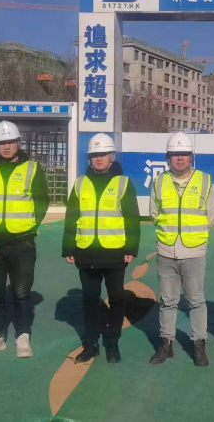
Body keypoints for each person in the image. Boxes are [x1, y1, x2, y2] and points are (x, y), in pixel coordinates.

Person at [63, 133, 140, 364]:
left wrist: (131, 248)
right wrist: (68, 248)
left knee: (116, 299)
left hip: (115, 252)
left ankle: (112, 343)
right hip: (86, 252)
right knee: (90, 300)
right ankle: (91, 344)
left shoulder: (123, 183)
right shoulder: (80, 183)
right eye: (95, 154)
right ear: (89, 157)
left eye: (103, 154)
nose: (99, 158)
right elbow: (71, 217)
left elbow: (132, 218)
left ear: (111, 156)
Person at [0, 121, 49, 358]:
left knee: (21, 293)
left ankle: (22, 337)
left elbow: (42, 200)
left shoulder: (32, 169)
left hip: (22, 243)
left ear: (18, 142)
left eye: (10, 142)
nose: (6, 147)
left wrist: (30, 226)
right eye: (1, 143)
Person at [148, 132, 214, 367]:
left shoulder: (205, 181)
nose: (179, 158)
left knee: (196, 301)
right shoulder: (159, 181)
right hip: (166, 251)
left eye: (184, 154)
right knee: (167, 301)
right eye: (175, 154)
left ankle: (198, 344)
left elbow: (212, 215)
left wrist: (193, 236)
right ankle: (166, 344)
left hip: (194, 252)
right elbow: (154, 213)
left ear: (191, 157)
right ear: (168, 158)